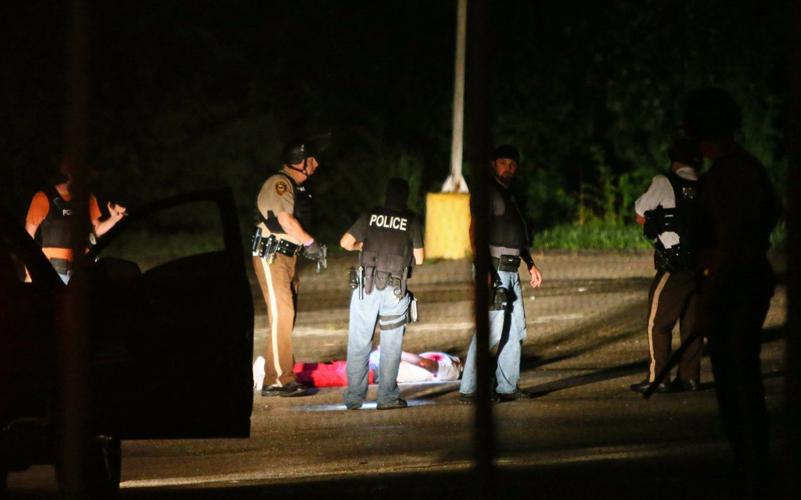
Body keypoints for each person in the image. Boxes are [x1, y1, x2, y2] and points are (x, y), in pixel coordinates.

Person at [684, 87, 780, 496]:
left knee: (734, 374)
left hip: (735, 284)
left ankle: (749, 461)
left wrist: (706, 300)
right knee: (745, 372)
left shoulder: (725, 176)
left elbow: (725, 241)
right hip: (752, 277)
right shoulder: (751, 168)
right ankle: (752, 458)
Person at [458, 145, 542, 404]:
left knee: (515, 331)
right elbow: (475, 232)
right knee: (491, 331)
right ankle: (470, 389)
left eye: (513, 164)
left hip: (512, 271)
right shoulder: (487, 193)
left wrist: (530, 263)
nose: (509, 168)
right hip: (493, 269)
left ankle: (507, 387)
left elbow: (516, 236)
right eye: (504, 163)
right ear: (493, 164)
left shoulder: (509, 196)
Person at [340, 178, 424, 410]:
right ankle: (387, 399)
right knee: (391, 346)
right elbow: (421, 257)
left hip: (365, 286)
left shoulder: (370, 215)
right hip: (396, 290)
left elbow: (345, 242)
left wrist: (363, 246)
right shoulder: (411, 220)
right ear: (406, 197)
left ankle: (354, 398)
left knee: (358, 342)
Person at [253, 137, 326, 398]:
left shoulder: (295, 186)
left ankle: (272, 378)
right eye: (312, 159)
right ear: (301, 162)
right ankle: (284, 379)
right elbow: (284, 219)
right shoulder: (280, 183)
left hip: (288, 257)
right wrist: (310, 242)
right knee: (283, 314)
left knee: (284, 317)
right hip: (272, 255)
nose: (316, 164)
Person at [629, 138, 703, 394]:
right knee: (692, 326)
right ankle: (690, 378)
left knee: (658, 324)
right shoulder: (706, 184)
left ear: (674, 162)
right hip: (702, 267)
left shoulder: (665, 181)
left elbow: (639, 214)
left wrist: (657, 218)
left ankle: (658, 378)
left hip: (675, 265)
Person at [24, 161, 127, 283]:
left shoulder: (88, 199)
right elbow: (27, 236)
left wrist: (114, 219)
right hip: (53, 272)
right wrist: (30, 268)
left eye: (88, 177)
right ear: (71, 174)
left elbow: (96, 230)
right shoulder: (44, 197)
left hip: (82, 272)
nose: (87, 180)